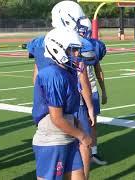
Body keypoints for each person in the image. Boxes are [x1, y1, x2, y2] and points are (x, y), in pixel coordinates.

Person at [32, 28, 92, 180]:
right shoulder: (52, 75)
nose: (77, 55)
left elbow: (67, 111)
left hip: (68, 135)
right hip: (52, 139)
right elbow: (56, 118)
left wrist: (77, 124)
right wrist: (82, 136)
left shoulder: (66, 71)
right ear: (57, 48)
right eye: (73, 50)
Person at [79, 18, 108, 166]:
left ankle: (94, 152)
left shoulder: (93, 46)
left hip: (91, 87)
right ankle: (77, 152)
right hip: (75, 90)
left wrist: (103, 91)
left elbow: (98, 70)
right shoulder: (68, 42)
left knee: (92, 123)